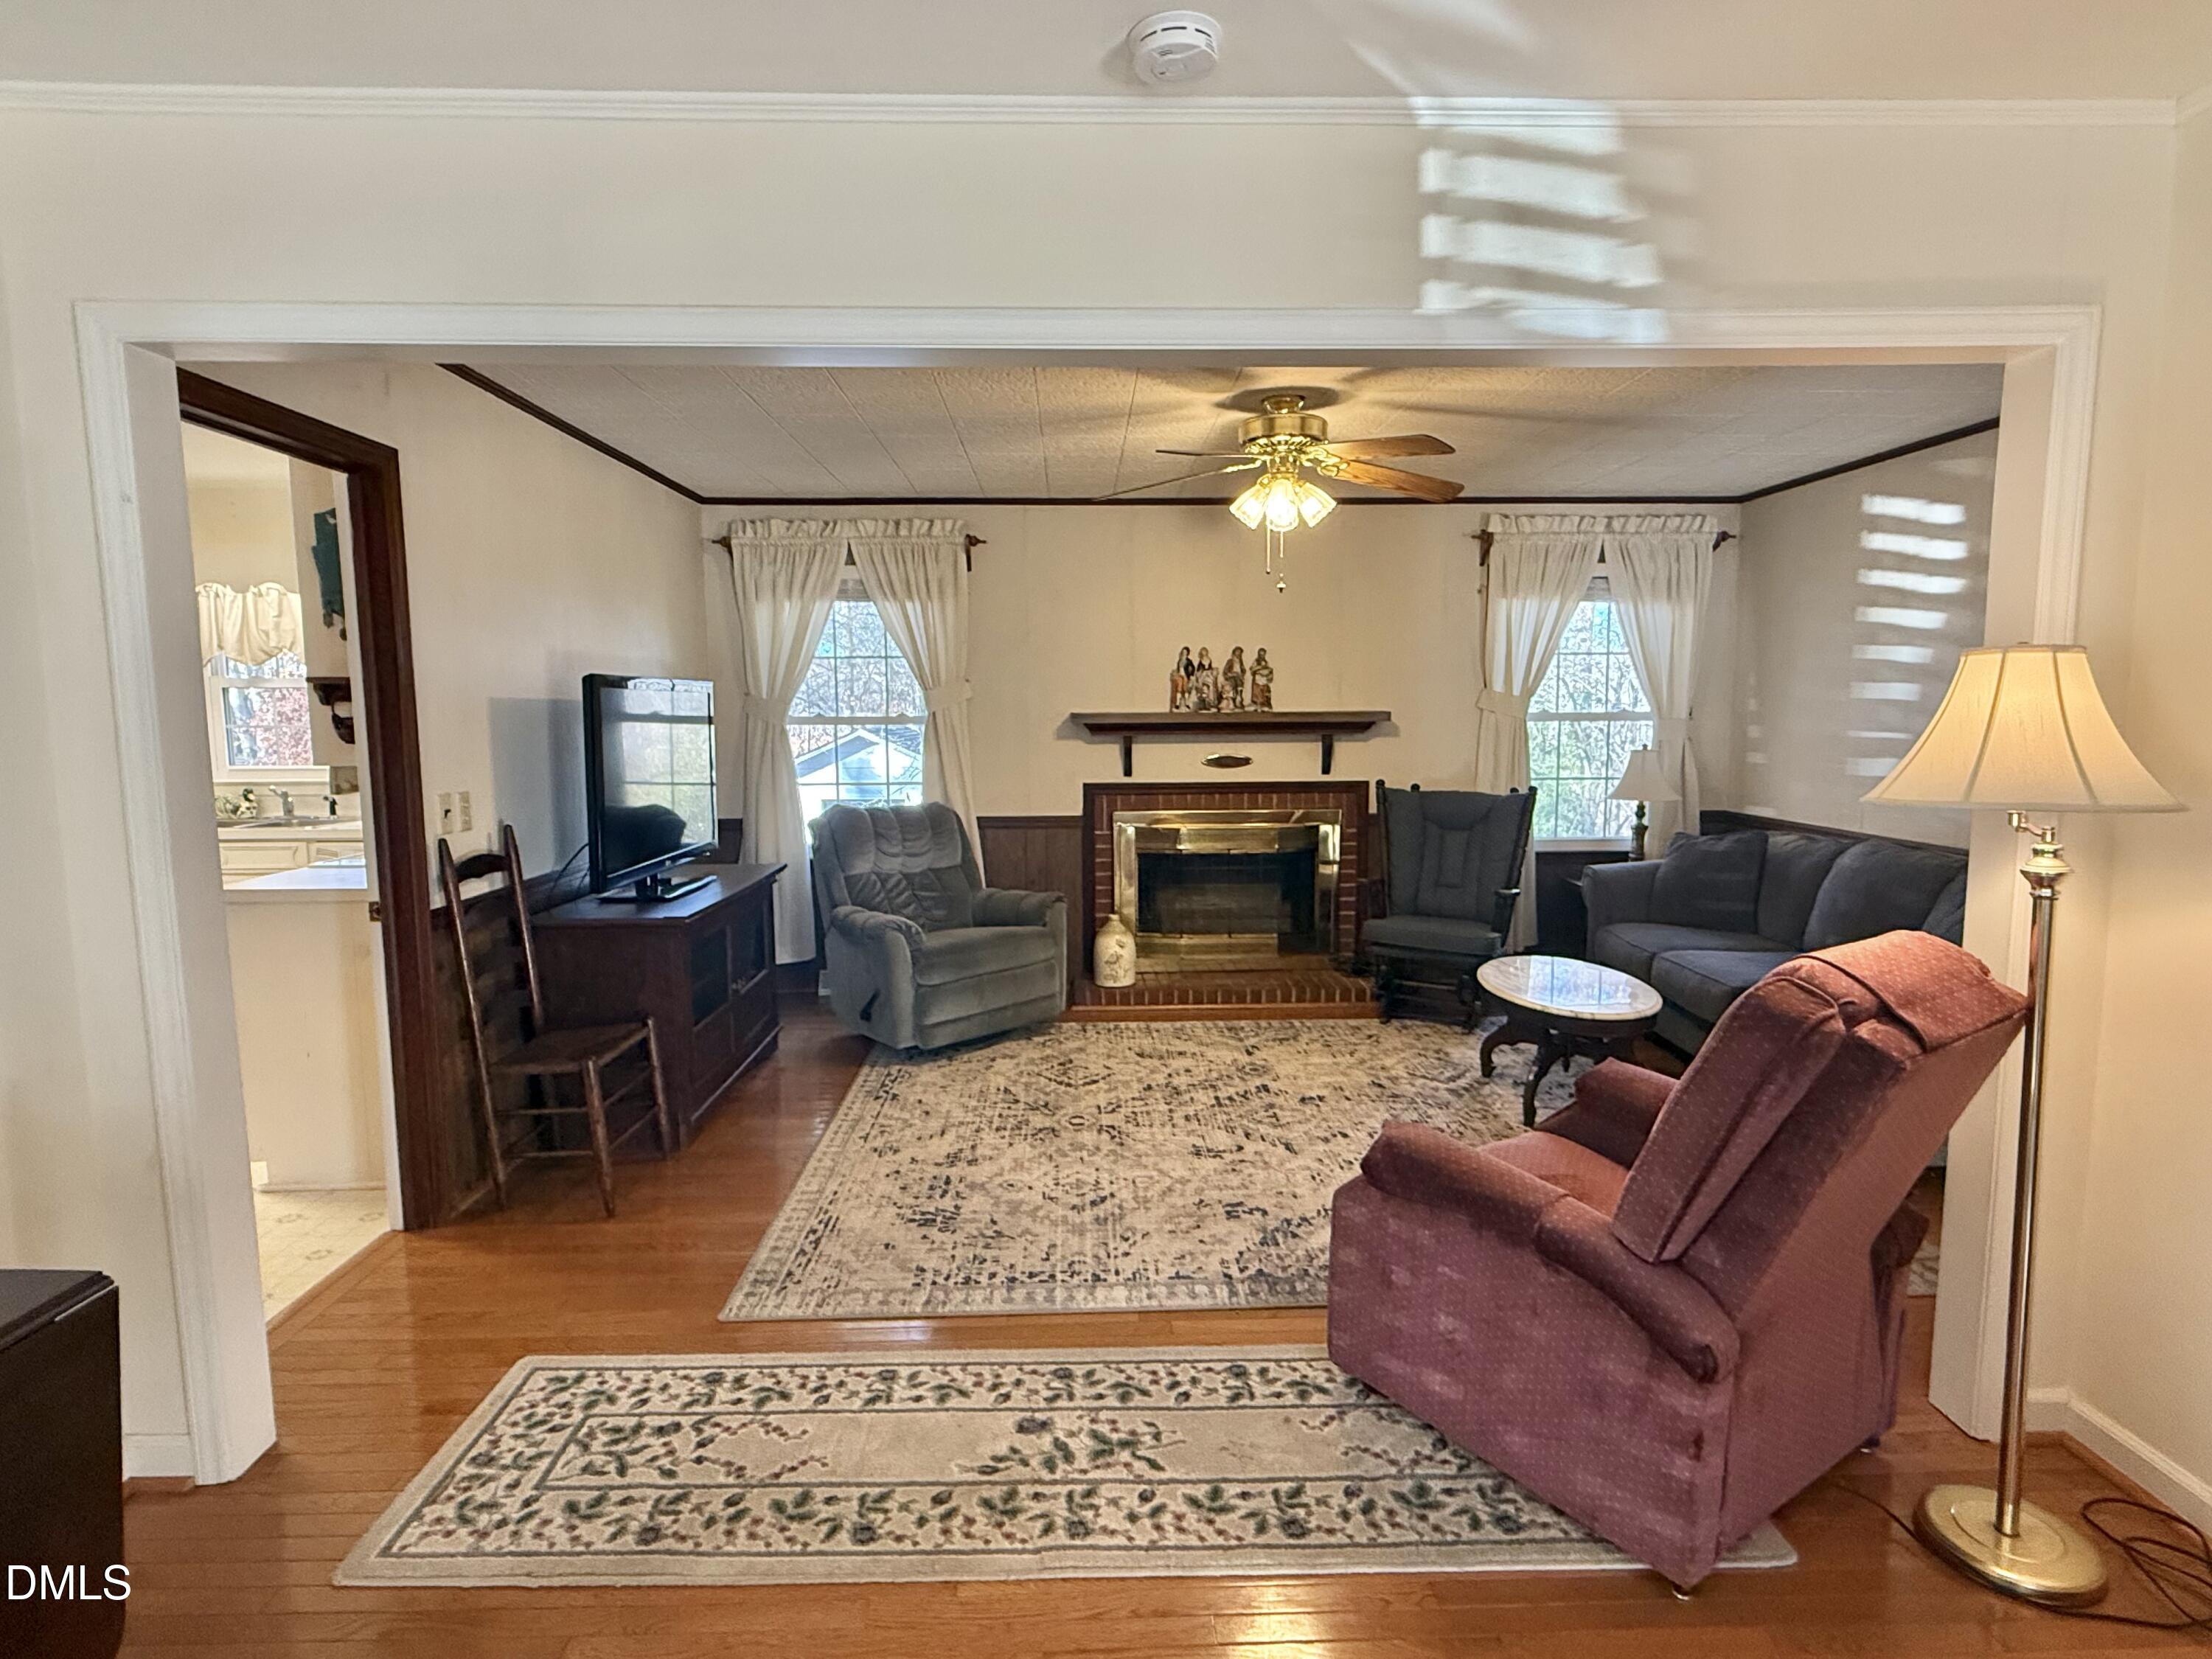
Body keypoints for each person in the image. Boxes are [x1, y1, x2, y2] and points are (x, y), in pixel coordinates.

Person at [1249, 647, 1274, 711]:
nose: (1262, 656)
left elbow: (1269, 670)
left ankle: (1263, 704)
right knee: (1258, 692)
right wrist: (1259, 668)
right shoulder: (1256, 661)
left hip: (1264, 680)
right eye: (1261, 654)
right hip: (1258, 679)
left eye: (1263, 654)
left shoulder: (1266, 662)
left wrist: (1268, 673)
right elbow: (1252, 669)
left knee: (1264, 692)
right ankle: (1258, 704)